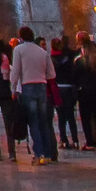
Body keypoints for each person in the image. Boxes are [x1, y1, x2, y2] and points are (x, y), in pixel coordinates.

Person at [10, 27, 59, 164]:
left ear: (21, 37)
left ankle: (39, 154)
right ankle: (48, 154)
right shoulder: (42, 52)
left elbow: (15, 72)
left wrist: (13, 89)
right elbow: (52, 74)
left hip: (28, 86)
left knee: (33, 121)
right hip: (42, 87)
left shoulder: (19, 50)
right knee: (44, 121)